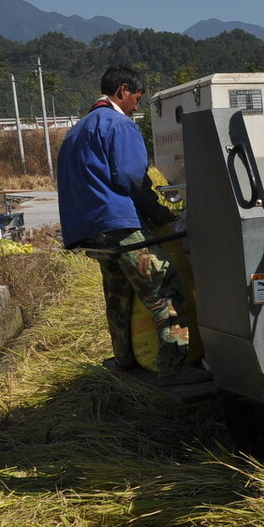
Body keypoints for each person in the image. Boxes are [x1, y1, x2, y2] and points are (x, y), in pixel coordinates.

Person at [57, 65, 211, 386]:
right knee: (165, 288)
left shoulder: (76, 131)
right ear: (123, 90)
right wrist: (159, 213)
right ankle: (174, 367)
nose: (137, 106)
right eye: (137, 98)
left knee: (119, 294)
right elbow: (132, 178)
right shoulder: (118, 124)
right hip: (119, 225)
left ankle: (124, 360)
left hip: (90, 231)